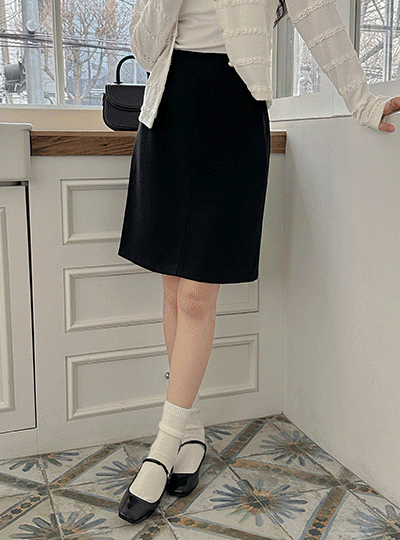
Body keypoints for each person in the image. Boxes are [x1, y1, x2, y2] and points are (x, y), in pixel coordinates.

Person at [117, 0, 400, 525]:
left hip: (232, 112)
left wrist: (362, 101)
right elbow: (144, 47)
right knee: (173, 288)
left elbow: (321, 20)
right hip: (166, 115)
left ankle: (163, 444)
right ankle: (191, 431)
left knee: (197, 294)